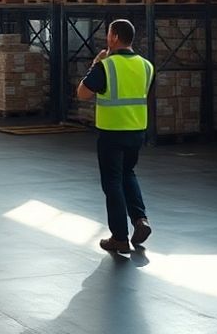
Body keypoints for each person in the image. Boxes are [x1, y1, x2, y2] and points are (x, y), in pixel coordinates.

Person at [76, 18, 155, 255]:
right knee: (128, 173)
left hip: (112, 131)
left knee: (112, 182)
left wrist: (95, 63)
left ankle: (119, 237)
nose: (106, 39)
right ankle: (140, 219)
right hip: (137, 130)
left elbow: (82, 94)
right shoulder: (146, 66)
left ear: (115, 38)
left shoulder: (106, 66)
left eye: (108, 34)